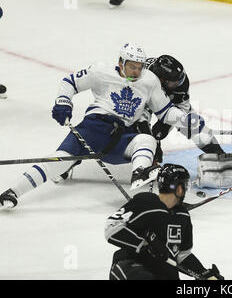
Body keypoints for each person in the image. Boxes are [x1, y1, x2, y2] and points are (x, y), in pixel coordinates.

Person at [0, 43, 201, 210]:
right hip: (92, 129)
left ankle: (140, 173)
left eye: (140, 67)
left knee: (146, 140)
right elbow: (70, 82)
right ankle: (12, 192)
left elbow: (165, 111)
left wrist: (185, 120)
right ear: (121, 62)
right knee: (56, 162)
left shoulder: (149, 81)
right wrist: (63, 101)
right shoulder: (100, 71)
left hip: (122, 137)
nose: (136, 71)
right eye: (131, 66)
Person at [105, 163, 224, 280]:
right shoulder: (146, 201)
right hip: (133, 266)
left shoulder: (183, 216)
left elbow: (182, 255)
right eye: (185, 185)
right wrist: (145, 245)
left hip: (162, 272)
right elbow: (112, 227)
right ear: (179, 189)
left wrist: (203, 273)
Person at [143, 55, 225, 158]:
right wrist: (152, 140)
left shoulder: (181, 81)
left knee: (197, 131)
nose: (179, 83)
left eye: (180, 80)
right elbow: (140, 117)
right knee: (145, 135)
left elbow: (182, 108)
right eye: (174, 82)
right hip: (146, 98)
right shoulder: (144, 79)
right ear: (162, 79)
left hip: (167, 102)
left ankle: (219, 155)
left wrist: (167, 124)